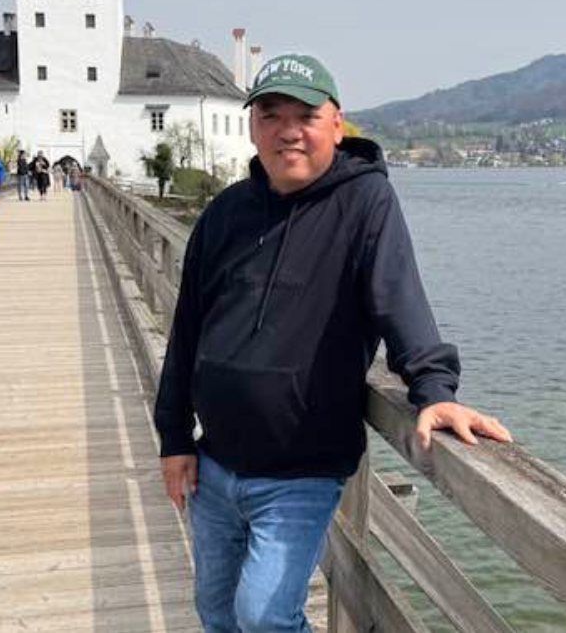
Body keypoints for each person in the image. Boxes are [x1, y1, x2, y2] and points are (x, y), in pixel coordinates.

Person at [154, 54, 513, 633]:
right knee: (216, 611)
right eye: (272, 115)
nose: (288, 130)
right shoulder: (224, 213)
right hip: (213, 465)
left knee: (264, 617)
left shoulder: (365, 203)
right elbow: (187, 330)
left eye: (306, 116)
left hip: (302, 471)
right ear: (253, 126)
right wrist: (174, 438)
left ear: (337, 125)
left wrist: (434, 390)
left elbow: (399, 300)